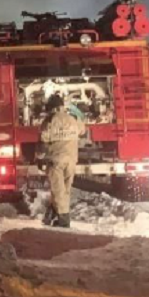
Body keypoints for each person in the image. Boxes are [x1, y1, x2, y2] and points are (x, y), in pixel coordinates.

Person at [40, 94, 83, 228]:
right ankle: (53, 213)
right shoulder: (73, 119)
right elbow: (82, 130)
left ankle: (64, 219)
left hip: (56, 160)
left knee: (58, 190)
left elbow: (44, 138)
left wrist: (40, 157)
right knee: (65, 190)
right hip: (71, 159)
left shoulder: (50, 121)